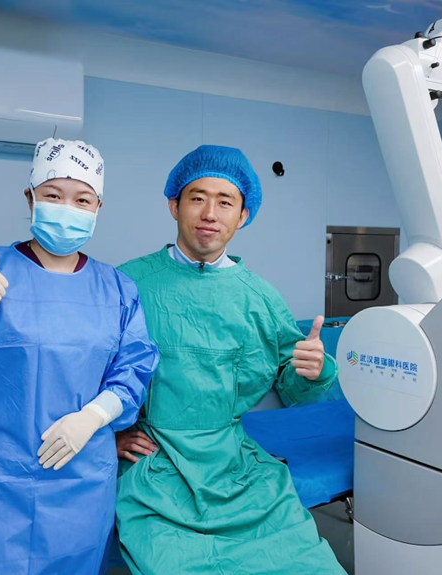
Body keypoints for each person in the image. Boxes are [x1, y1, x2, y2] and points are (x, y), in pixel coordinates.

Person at [0, 138, 159, 575]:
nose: (67, 208)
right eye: (53, 195)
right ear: (30, 198)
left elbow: (133, 370)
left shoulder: (117, 290)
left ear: (98, 207)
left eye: (82, 200)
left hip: (80, 478)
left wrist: (93, 416)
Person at [115, 145, 346, 574]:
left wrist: (313, 371)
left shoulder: (260, 298)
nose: (210, 214)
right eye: (197, 198)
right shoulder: (127, 284)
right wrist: (109, 436)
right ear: (174, 206)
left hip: (236, 468)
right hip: (156, 468)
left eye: (225, 202)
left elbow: (294, 390)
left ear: (242, 216)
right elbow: (84, 376)